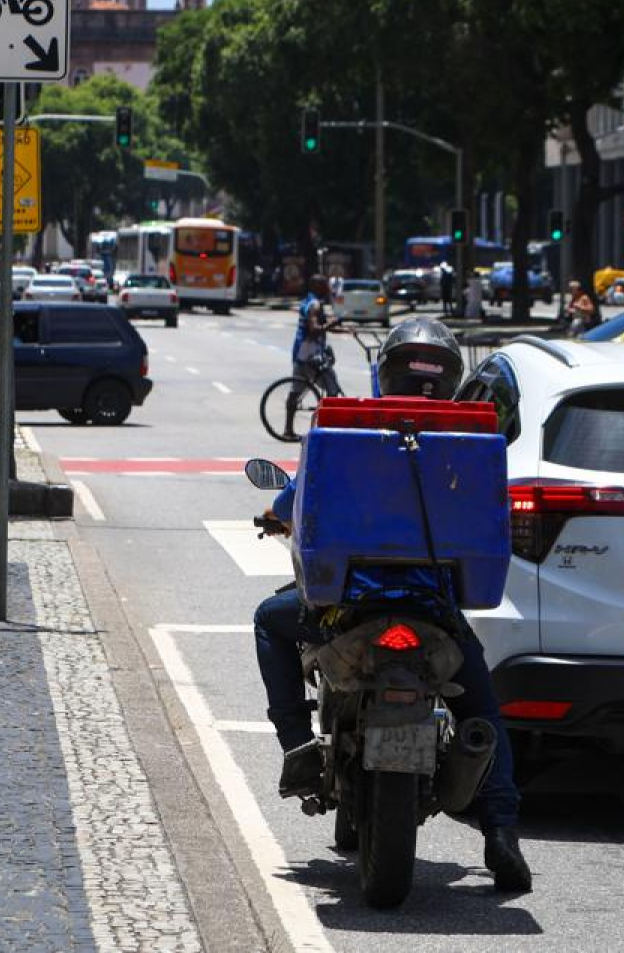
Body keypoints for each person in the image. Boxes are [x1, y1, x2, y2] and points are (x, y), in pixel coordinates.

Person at [252, 318, 531, 893]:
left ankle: (296, 745)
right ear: (449, 377)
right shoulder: (472, 441)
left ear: (388, 369)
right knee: (483, 713)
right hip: (436, 615)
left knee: (268, 621)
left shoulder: (349, 425)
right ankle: (501, 833)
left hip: (346, 612)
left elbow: (297, 500)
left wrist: (278, 514)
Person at [283, 275, 340, 441]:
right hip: (310, 354)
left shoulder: (309, 301)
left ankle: (288, 429)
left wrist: (342, 329)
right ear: (317, 286)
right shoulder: (315, 305)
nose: (327, 288)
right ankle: (328, 427)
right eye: (324, 285)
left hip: (302, 352)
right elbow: (314, 329)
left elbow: (320, 327)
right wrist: (332, 325)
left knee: (296, 390)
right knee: (331, 387)